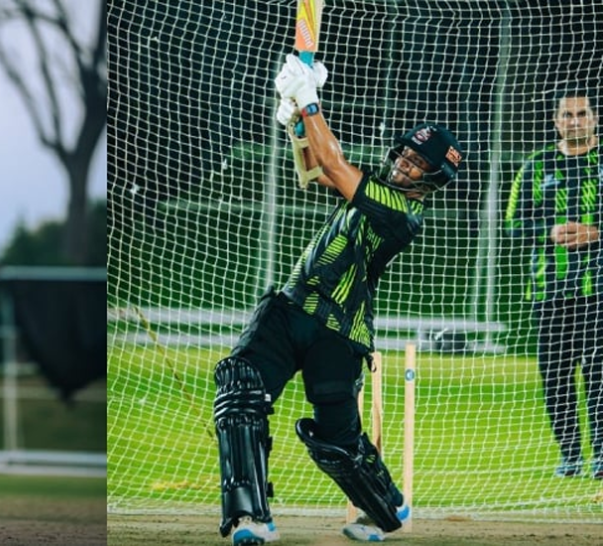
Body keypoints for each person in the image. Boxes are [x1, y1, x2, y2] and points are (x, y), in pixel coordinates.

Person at [213, 54, 463, 545]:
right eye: (405, 155)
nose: (405, 164)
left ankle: (385, 505)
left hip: (339, 332)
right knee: (239, 391)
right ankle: (250, 518)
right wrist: (293, 122)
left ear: (432, 181)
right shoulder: (372, 187)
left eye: (418, 164)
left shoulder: (402, 214)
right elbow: (313, 171)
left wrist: (309, 100)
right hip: (289, 308)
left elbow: (332, 163)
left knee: (336, 439)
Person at [505, 84, 603, 480]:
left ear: (595, 119)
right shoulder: (536, 165)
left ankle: (602, 454)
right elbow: (512, 226)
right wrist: (548, 231)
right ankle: (570, 455)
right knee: (556, 376)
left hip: (598, 290)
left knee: (598, 374)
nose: (575, 121)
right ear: (556, 121)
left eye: (582, 114)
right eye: (567, 115)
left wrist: (596, 232)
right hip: (549, 292)